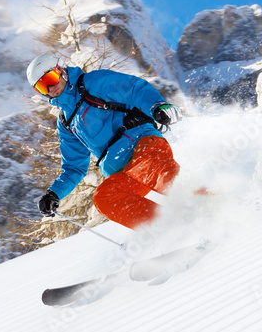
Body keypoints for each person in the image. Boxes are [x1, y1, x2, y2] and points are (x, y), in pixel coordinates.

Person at [27, 52, 183, 229]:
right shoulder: (66, 122)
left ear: (60, 70)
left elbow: (133, 89)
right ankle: (169, 230)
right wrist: (54, 194)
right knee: (105, 198)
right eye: (42, 87)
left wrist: (157, 107)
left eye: (50, 80)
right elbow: (74, 167)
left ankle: (210, 205)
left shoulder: (91, 83)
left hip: (143, 146)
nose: (49, 89)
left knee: (166, 180)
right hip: (126, 173)